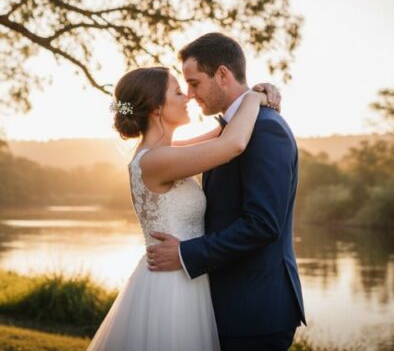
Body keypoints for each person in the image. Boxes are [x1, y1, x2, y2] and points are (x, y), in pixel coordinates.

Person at [87, 58, 281, 350]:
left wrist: (254, 94)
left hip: (186, 276)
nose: (188, 95)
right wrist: (254, 98)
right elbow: (233, 145)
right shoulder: (155, 161)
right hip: (171, 287)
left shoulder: (162, 153)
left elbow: (223, 133)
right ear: (156, 108)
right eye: (178, 92)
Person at [146, 32, 306, 351]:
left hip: (254, 312)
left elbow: (263, 224)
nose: (190, 94)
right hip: (225, 305)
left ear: (222, 75)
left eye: (194, 83)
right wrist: (256, 96)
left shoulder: (266, 129)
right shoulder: (230, 132)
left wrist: (185, 254)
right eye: (184, 88)